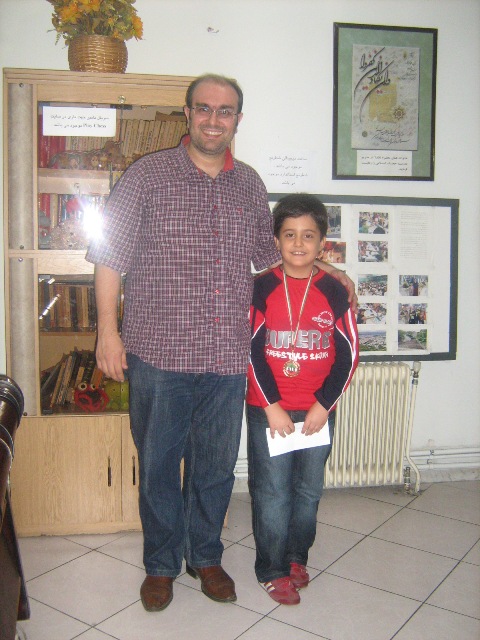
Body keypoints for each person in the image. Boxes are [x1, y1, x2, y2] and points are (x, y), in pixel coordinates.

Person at [86, 74, 356, 612]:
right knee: (159, 467)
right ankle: (161, 565)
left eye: (225, 111)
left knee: (214, 469)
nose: (214, 119)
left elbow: (273, 255)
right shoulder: (147, 176)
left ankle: (205, 556)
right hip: (158, 353)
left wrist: (327, 269)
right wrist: (107, 333)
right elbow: (110, 255)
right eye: (204, 109)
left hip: (228, 357)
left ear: (237, 120)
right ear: (187, 114)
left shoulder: (249, 184)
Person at [246, 193, 358, 605]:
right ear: (276, 240)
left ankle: (295, 557)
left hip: (317, 411)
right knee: (272, 492)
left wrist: (323, 405)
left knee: (308, 492)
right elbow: (250, 350)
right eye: (289, 234)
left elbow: (349, 354)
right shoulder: (261, 288)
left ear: (322, 243)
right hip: (269, 410)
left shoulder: (335, 290)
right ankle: (271, 569)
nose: (298, 243)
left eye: (308, 235)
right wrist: (272, 405)